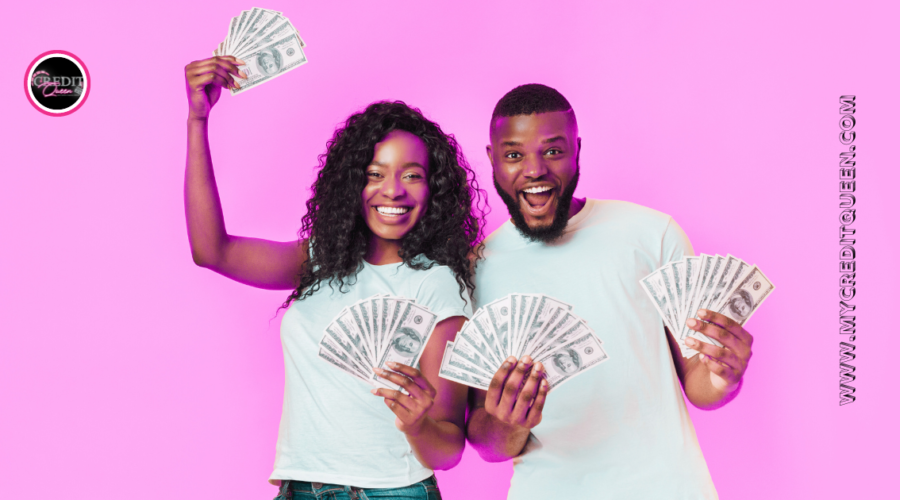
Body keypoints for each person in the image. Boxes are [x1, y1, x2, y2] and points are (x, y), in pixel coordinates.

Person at [183, 55, 485, 500]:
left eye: (413, 176)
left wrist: (418, 424)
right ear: (351, 185)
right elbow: (213, 251)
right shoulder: (320, 261)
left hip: (390, 492)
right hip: (299, 486)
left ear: (434, 188)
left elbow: (448, 450)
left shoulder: (438, 286)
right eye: (374, 174)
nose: (393, 190)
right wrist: (197, 119)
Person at [466, 84, 754, 499]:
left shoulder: (652, 235)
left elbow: (698, 381)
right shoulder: (477, 271)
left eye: (552, 151)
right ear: (493, 160)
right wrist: (509, 424)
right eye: (514, 155)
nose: (534, 170)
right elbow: (485, 439)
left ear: (577, 150)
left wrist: (724, 375)